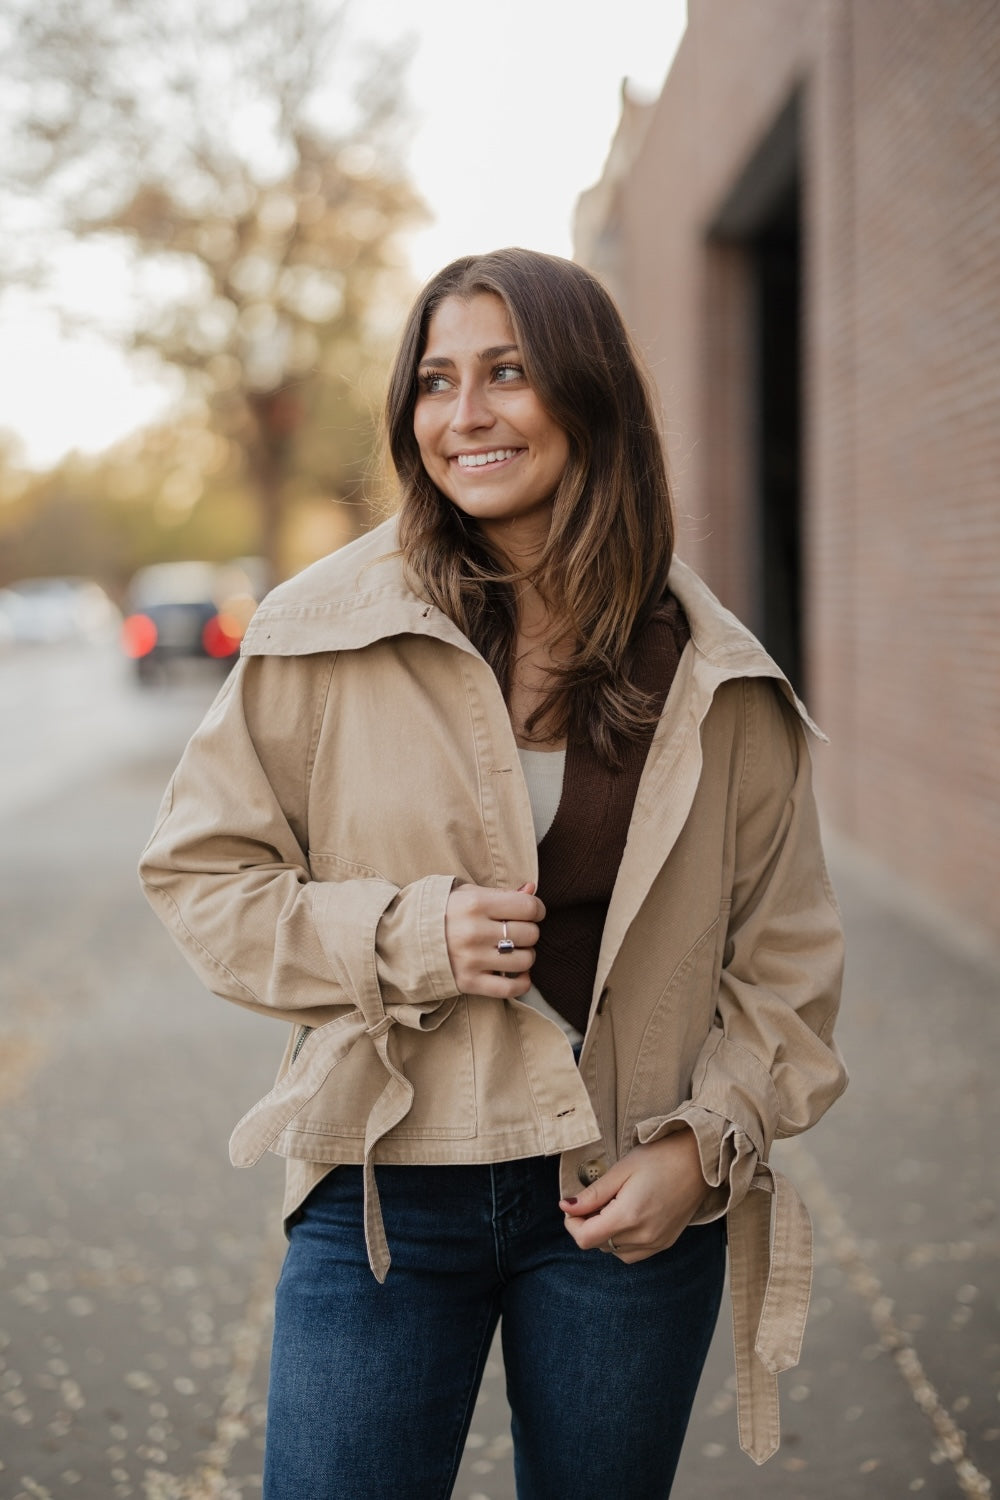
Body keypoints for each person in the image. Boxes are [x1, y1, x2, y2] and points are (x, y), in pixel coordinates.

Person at [139, 247, 847, 1499]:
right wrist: (407, 937)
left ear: (589, 395)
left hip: (625, 1196)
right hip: (383, 1195)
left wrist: (703, 1150)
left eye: (506, 374)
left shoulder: (717, 678)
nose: (463, 415)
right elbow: (203, 878)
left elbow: (785, 967)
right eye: (434, 381)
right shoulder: (319, 632)